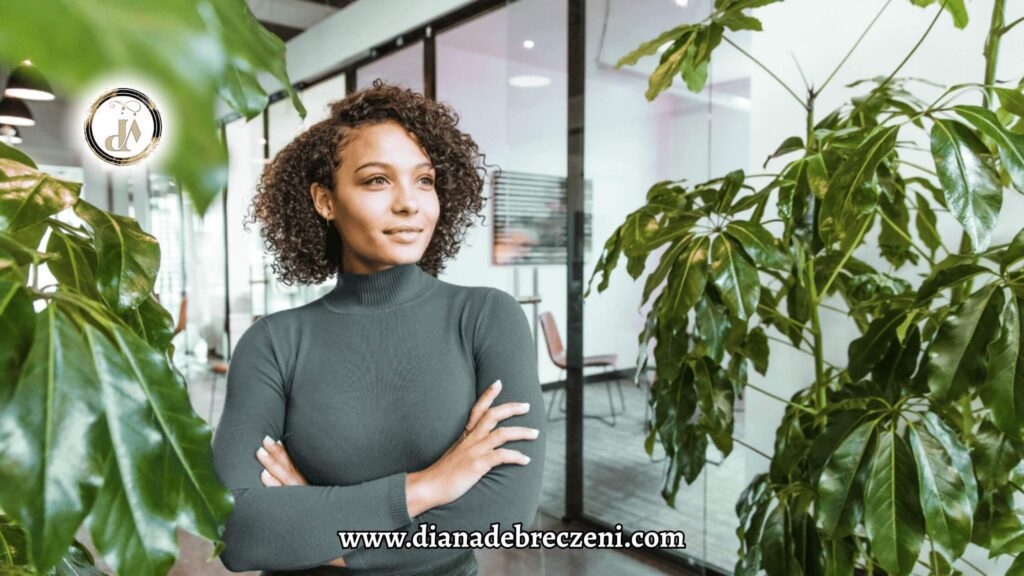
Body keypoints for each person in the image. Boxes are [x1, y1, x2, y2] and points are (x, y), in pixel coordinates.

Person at [211, 79, 546, 576]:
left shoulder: (486, 319)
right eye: (376, 181)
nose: (409, 204)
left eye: (425, 180)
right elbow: (238, 532)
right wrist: (430, 485)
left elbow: (504, 515)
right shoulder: (272, 343)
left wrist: (318, 521)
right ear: (325, 201)